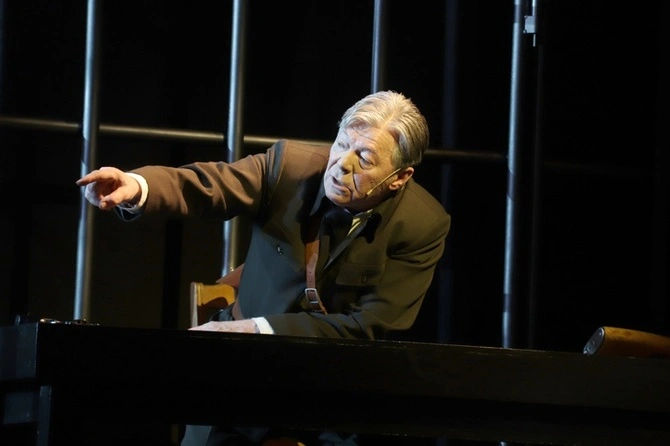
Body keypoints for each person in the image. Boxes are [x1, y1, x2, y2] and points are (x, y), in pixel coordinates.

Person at [77, 90, 451, 446]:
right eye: (341, 145)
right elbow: (212, 184)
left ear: (400, 177)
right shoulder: (289, 166)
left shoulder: (421, 225)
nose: (342, 165)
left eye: (365, 159)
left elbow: (368, 327)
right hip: (242, 369)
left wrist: (257, 328)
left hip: (334, 385)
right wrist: (137, 186)